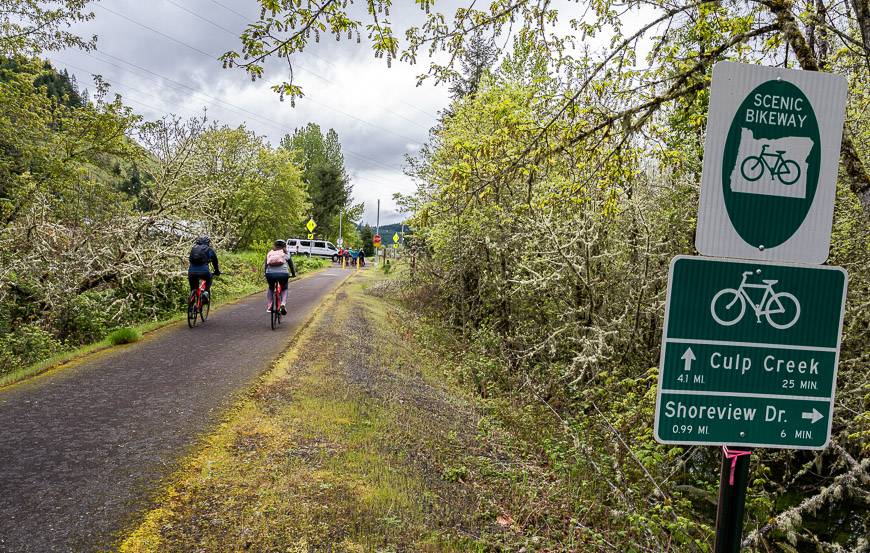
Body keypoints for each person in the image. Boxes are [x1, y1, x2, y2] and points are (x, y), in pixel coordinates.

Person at [264, 239, 296, 314]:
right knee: (284, 288)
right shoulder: (285, 254)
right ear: (284, 246)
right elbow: (291, 265)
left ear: (274, 246)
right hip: (283, 274)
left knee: (271, 288)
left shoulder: (270, 253)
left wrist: (265, 273)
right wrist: (293, 274)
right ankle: (283, 304)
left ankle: (269, 306)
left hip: (270, 274)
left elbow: (266, 265)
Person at [188, 236, 220, 303]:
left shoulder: (193, 249)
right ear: (208, 243)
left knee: (193, 288)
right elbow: (215, 261)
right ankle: (205, 293)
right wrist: (217, 271)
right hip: (204, 272)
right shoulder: (209, 249)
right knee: (209, 277)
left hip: (191, 272)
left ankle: (191, 301)